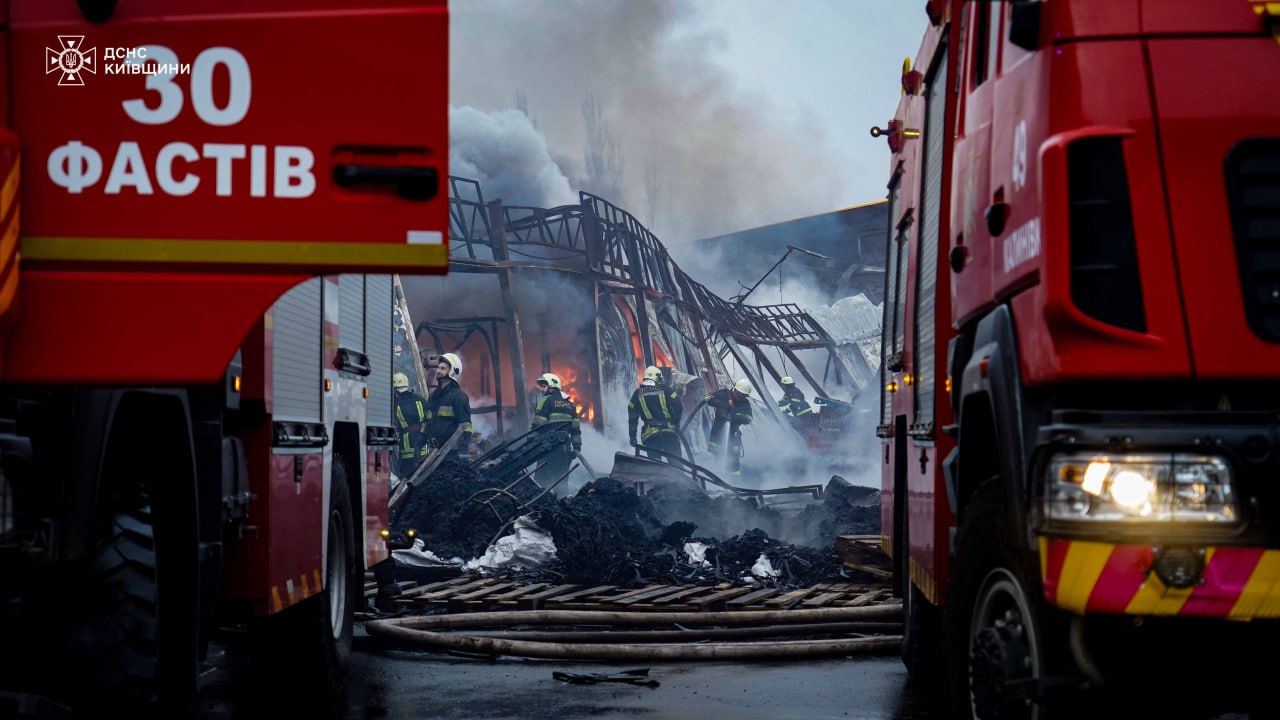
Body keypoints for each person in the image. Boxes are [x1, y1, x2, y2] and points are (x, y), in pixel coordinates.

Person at [531, 372, 582, 484]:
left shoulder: (546, 400)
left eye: (544, 386)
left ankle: (542, 501)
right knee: (561, 483)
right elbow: (576, 430)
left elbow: (538, 425)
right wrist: (577, 447)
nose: (541, 389)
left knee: (541, 483)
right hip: (565, 451)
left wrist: (530, 443)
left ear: (551, 387)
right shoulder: (570, 404)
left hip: (548, 450)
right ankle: (563, 500)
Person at [423, 352, 472, 461]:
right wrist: (418, 447)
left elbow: (466, 428)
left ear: (453, 371)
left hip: (451, 455)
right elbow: (426, 424)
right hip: (433, 454)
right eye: (438, 368)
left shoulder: (459, 397)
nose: (438, 371)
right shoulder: (433, 397)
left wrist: (462, 454)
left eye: (443, 368)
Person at [628, 365, 684, 461]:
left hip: (651, 436)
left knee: (655, 466)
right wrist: (676, 423)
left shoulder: (637, 394)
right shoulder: (666, 389)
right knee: (677, 464)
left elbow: (632, 417)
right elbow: (678, 405)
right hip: (669, 433)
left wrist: (632, 436)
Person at [705, 378, 754, 477]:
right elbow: (707, 398)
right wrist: (722, 404)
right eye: (740, 394)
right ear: (735, 390)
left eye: (744, 395)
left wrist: (737, 417)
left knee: (734, 459)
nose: (742, 397)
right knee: (716, 454)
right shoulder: (724, 394)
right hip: (717, 433)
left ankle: (735, 481)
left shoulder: (745, 403)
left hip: (733, 434)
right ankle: (716, 478)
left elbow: (749, 418)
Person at [392, 372, 428, 479]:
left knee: (407, 474)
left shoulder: (396, 403)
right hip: (423, 440)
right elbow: (429, 417)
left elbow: (395, 424)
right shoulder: (420, 398)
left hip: (407, 443)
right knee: (423, 471)